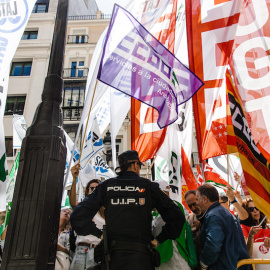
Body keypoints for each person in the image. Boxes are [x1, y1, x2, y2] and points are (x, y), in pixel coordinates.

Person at [70, 150, 186, 270]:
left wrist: (99, 234)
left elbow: (77, 216)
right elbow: (177, 217)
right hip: (141, 258)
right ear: (136, 164)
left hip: (113, 258)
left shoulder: (106, 186)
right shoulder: (149, 186)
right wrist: (158, 240)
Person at [196, 184, 251, 270]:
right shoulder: (222, 212)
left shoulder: (213, 216)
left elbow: (213, 244)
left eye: (197, 199)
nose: (196, 203)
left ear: (204, 199)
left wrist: (203, 263)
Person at [152, 180, 196, 270]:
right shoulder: (158, 213)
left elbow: (156, 230)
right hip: (167, 262)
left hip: (174, 262)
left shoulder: (173, 207)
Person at [69, 165, 105, 270]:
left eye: (97, 189)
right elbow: (73, 204)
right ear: (87, 191)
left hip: (98, 252)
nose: (94, 190)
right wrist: (74, 178)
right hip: (82, 250)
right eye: (92, 188)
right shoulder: (83, 209)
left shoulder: (105, 211)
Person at [240, 198, 270, 269]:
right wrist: (251, 236)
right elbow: (247, 255)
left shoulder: (268, 226)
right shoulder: (243, 228)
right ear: (246, 212)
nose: (255, 211)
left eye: (257, 208)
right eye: (251, 209)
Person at [184, 190, 203, 270]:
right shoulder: (190, 220)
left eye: (194, 204)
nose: (193, 208)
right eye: (190, 206)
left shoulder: (212, 215)